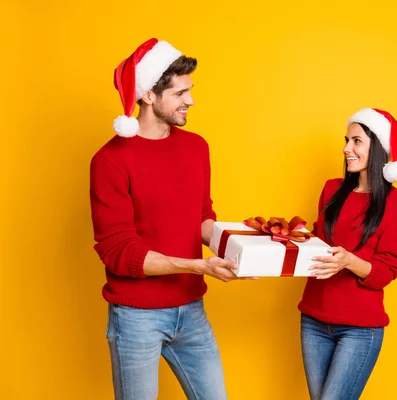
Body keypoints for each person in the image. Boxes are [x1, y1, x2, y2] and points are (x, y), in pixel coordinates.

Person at [89, 38, 246, 400]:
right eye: (180, 93)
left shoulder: (196, 147)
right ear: (148, 96)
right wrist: (196, 266)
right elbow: (118, 251)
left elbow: (202, 219)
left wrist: (244, 248)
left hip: (191, 311)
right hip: (136, 317)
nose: (190, 100)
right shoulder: (110, 161)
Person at [297, 108, 397, 400]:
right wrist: (290, 238)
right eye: (347, 140)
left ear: (378, 148)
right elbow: (318, 244)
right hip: (313, 319)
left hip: (360, 330)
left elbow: (387, 270)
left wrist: (349, 261)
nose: (347, 148)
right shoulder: (331, 189)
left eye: (357, 141)